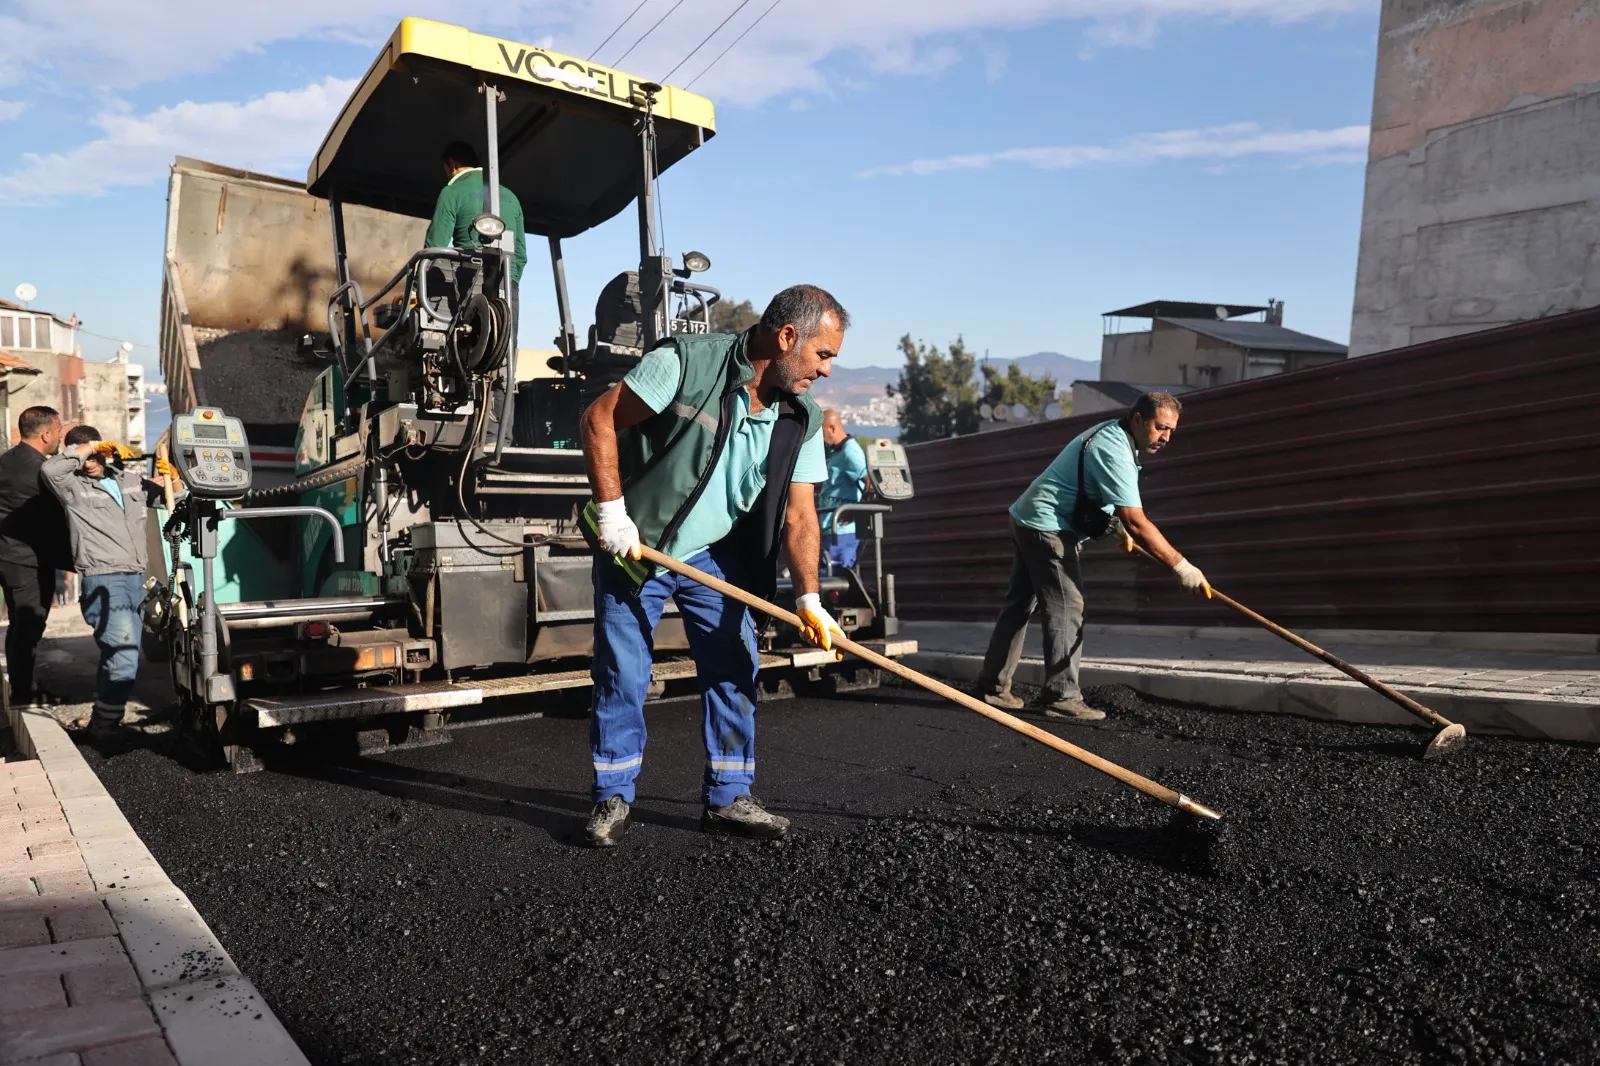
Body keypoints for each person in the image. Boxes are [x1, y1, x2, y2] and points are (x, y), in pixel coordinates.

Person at [578, 285, 848, 847]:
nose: (825, 371)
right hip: (639, 543)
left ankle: (729, 797)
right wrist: (612, 514)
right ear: (787, 337)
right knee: (623, 672)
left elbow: (801, 516)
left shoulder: (801, 417)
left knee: (734, 661)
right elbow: (598, 420)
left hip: (711, 553)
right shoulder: (685, 364)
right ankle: (613, 796)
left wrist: (809, 599)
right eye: (823, 355)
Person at [974, 392, 1210, 721]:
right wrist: (1181, 566)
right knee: (1067, 606)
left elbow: (1096, 491)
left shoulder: (1115, 434)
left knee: (1019, 606)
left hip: (1028, 518)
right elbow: (1138, 521)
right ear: (1138, 420)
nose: (1166, 437)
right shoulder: (1115, 449)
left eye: (1171, 430)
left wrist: (1115, 526)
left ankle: (992, 687)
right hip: (1046, 527)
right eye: (1160, 427)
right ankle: (1061, 696)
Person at [43, 427, 166, 738]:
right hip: (104, 579)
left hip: (136, 577)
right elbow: (50, 468)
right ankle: (106, 730)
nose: (89, 461)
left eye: (95, 454)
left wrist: (174, 476)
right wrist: (90, 446)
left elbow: (168, 498)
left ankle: (103, 720)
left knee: (118, 654)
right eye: (83, 454)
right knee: (123, 653)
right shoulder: (71, 486)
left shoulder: (129, 481)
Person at [0, 406, 68, 707]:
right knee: (27, 625)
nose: (59, 438)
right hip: (26, 559)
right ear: (46, 434)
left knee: (21, 624)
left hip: (10, 556)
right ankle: (23, 693)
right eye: (59, 432)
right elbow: (55, 519)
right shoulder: (40, 471)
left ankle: (24, 687)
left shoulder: (6, 461)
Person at [424, 141, 528, 286]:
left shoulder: (451, 192)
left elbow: (434, 246)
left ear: (452, 164)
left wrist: (418, 285)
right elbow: (521, 254)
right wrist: (512, 280)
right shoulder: (511, 197)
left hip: (468, 280)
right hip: (508, 285)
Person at [817, 409, 869, 573]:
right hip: (831, 528)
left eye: (822, 432)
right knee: (831, 576)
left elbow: (870, 483)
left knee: (838, 578)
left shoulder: (850, 452)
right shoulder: (836, 452)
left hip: (843, 531)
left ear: (832, 428)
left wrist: (855, 513)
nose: (821, 438)